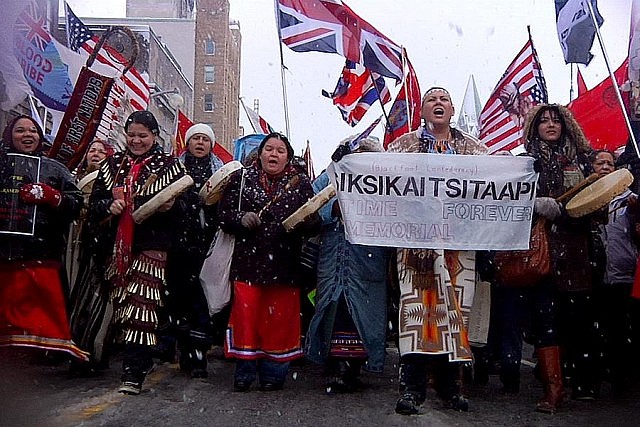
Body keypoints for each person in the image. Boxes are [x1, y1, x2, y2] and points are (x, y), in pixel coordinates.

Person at [387, 87, 488, 415]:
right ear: (423, 110)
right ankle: (412, 389)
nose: (439, 103)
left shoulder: (474, 150)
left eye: (444, 98)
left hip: (459, 247)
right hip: (415, 244)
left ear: (453, 108)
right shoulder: (402, 147)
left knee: (454, 314)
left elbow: (495, 185)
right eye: (432, 99)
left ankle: (450, 388)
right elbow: (384, 182)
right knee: (416, 317)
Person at [89, 110, 186, 395]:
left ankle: (133, 372)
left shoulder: (170, 166)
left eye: (143, 135)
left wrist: (171, 207)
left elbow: (188, 207)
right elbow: (94, 204)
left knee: (142, 309)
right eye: (131, 135)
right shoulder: (112, 165)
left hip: (152, 246)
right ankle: (126, 359)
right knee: (120, 307)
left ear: (155, 136)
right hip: (116, 247)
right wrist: (109, 206)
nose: (136, 140)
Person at [218, 132, 315, 392]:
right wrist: (240, 219)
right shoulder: (240, 180)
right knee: (246, 319)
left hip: (285, 266)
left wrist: (303, 220)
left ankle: (274, 372)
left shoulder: (301, 184)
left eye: (280, 150)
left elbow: (315, 221)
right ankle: (244, 372)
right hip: (248, 263)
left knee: (279, 322)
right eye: (269, 149)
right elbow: (223, 215)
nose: (274, 154)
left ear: (288, 157)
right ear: (260, 154)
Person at [517, 104, 595, 411]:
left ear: (566, 125)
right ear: (534, 126)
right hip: (542, 251)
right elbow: (511, 201)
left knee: (580, 320)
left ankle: (584, 380)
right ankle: (553, 387)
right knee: (546, 319)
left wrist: (571, 210)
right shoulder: (525, 163)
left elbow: (597, 205)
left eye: (556, 120)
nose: (550, 125)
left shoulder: (582, 161)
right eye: (544, 120)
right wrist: (534, 204)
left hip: (578, 251)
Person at [305, 136, 392, 393]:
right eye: (359, 154)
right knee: (334, 308)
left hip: (368, 259)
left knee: (364, 313)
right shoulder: (333, 175)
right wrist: (334, 209)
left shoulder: (388, 181)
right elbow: (311, 203)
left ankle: (354, 365)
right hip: (334, 256)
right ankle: (335, 362)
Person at [0, 115, 85, 360]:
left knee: (41, 312)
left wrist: (53, 197)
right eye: (20, 131)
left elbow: (76, 202)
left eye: (33, 131)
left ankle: (43, 352)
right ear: (9, 134)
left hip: (41, 252)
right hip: (3, 250)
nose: (27, 135)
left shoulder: (54, 168)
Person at [165, 123, 223, 378]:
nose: (200, 143)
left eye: (205, 139)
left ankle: (199, 353)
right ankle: (182, 349)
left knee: (203, 300)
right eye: (195, 138)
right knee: (178, 299)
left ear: (211, 144)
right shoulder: (172, 169)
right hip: (177, 244)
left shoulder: (220, 172)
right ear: (187, 143)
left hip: (207, 246)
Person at [67, 139, 116, 374]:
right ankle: (74, 351)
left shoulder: (113, 180)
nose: (95, 154)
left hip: (104, 246)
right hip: (76, 246)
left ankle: (95, 354)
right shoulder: (74, 180)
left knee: (101, 301)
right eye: (92, 150)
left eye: (101, 151)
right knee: (77, 300)